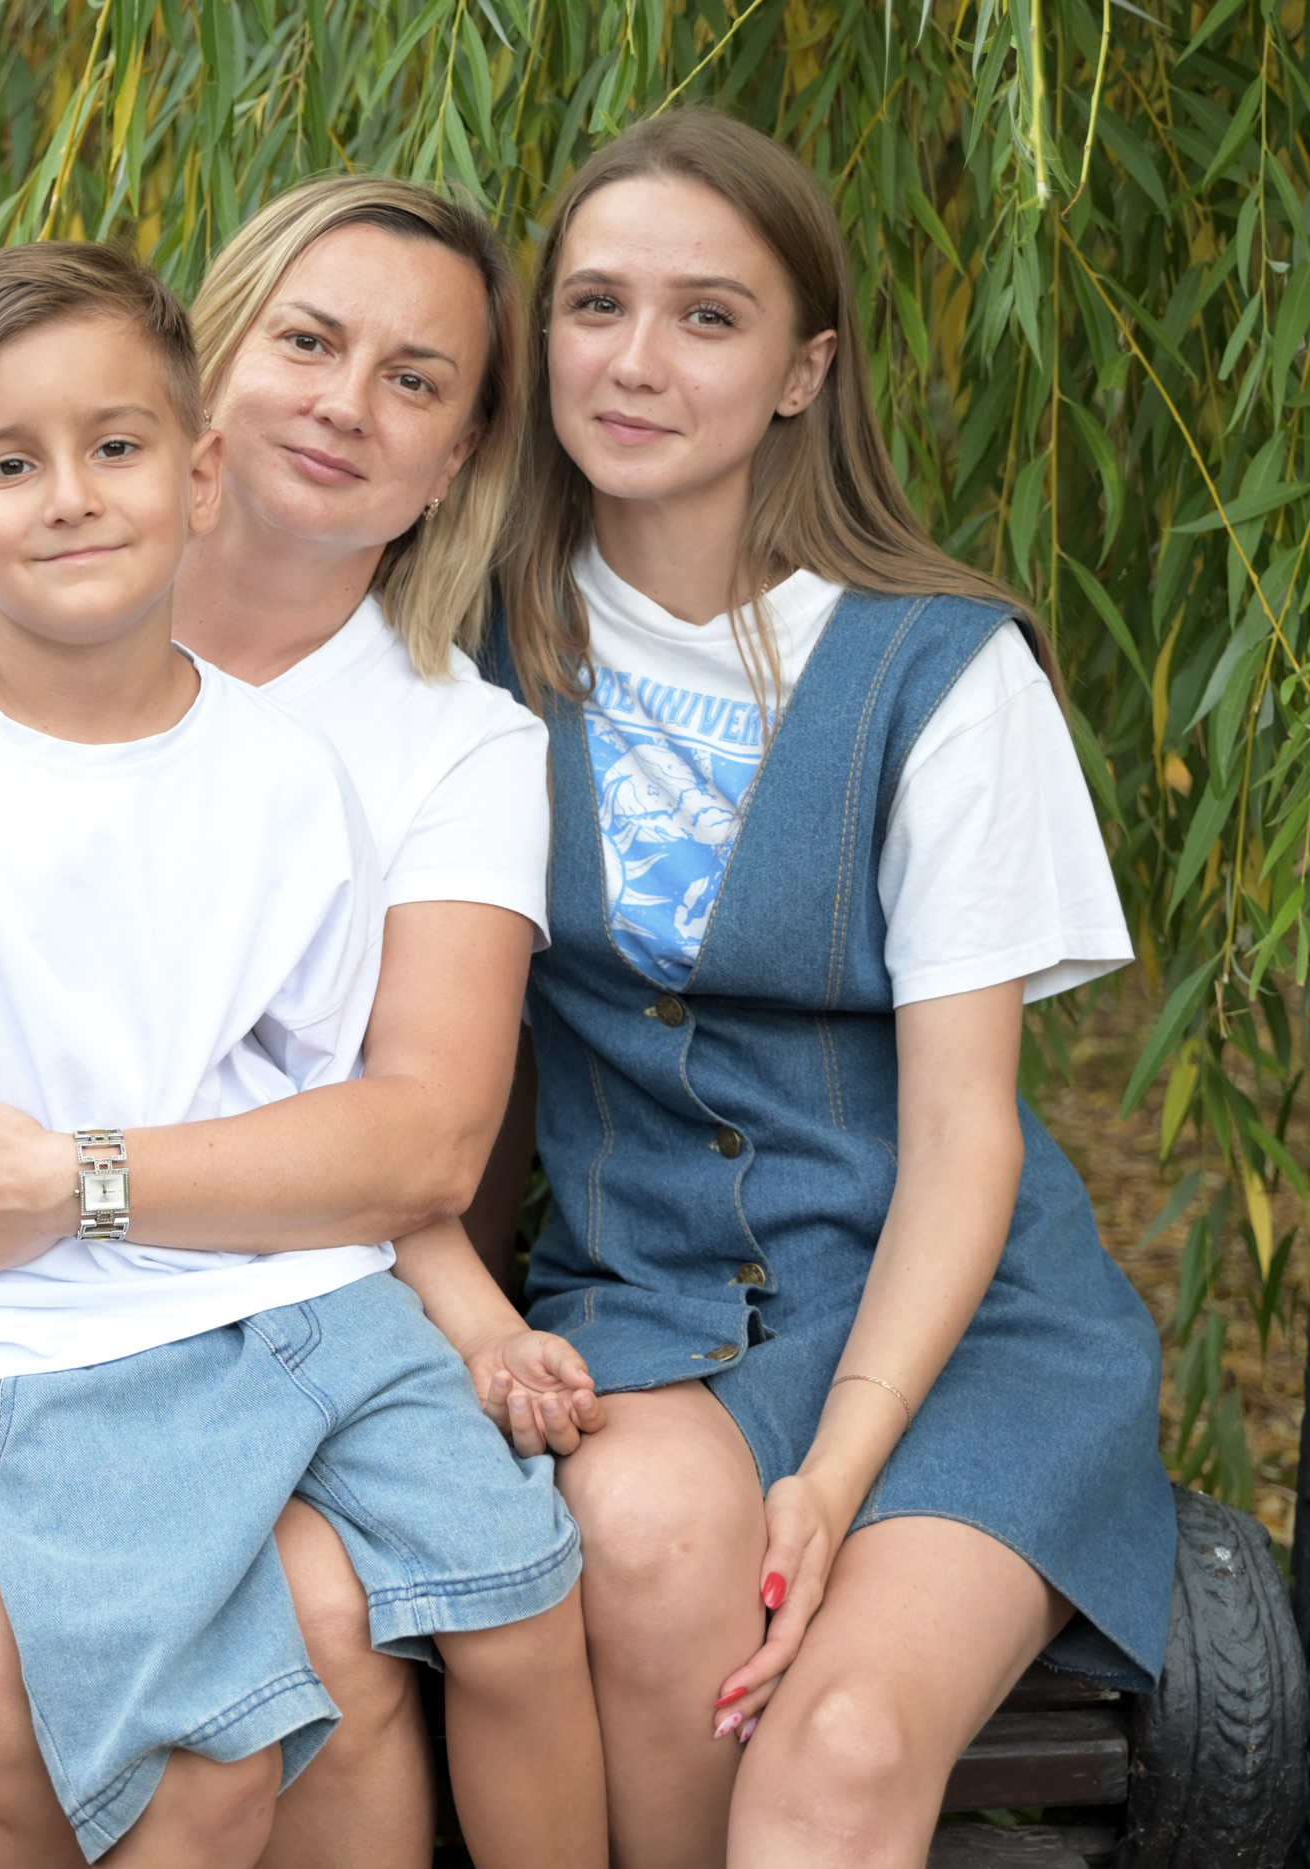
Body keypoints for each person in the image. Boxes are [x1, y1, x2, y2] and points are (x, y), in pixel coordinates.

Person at [0, 242, 604, 1869]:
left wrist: (475, 1317)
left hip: (272, 1299)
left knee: (524, 1589)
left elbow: (344, 1126)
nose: (74, 497)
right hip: (21, 1348)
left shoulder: (298, 775)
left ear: (193, 469)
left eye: (116, 449)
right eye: (14, 465)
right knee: (214, 1749)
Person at [479, 110, 1175, 1869]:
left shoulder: (939, 671)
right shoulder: (474, 640)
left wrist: (837, 1468)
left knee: (844, 1745)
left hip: (960, 1326)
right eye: (594, 305)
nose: (635, 362)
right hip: (652, 1308)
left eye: (708, 317)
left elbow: (961, 1138)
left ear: (805, 369)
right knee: (637, 1534)